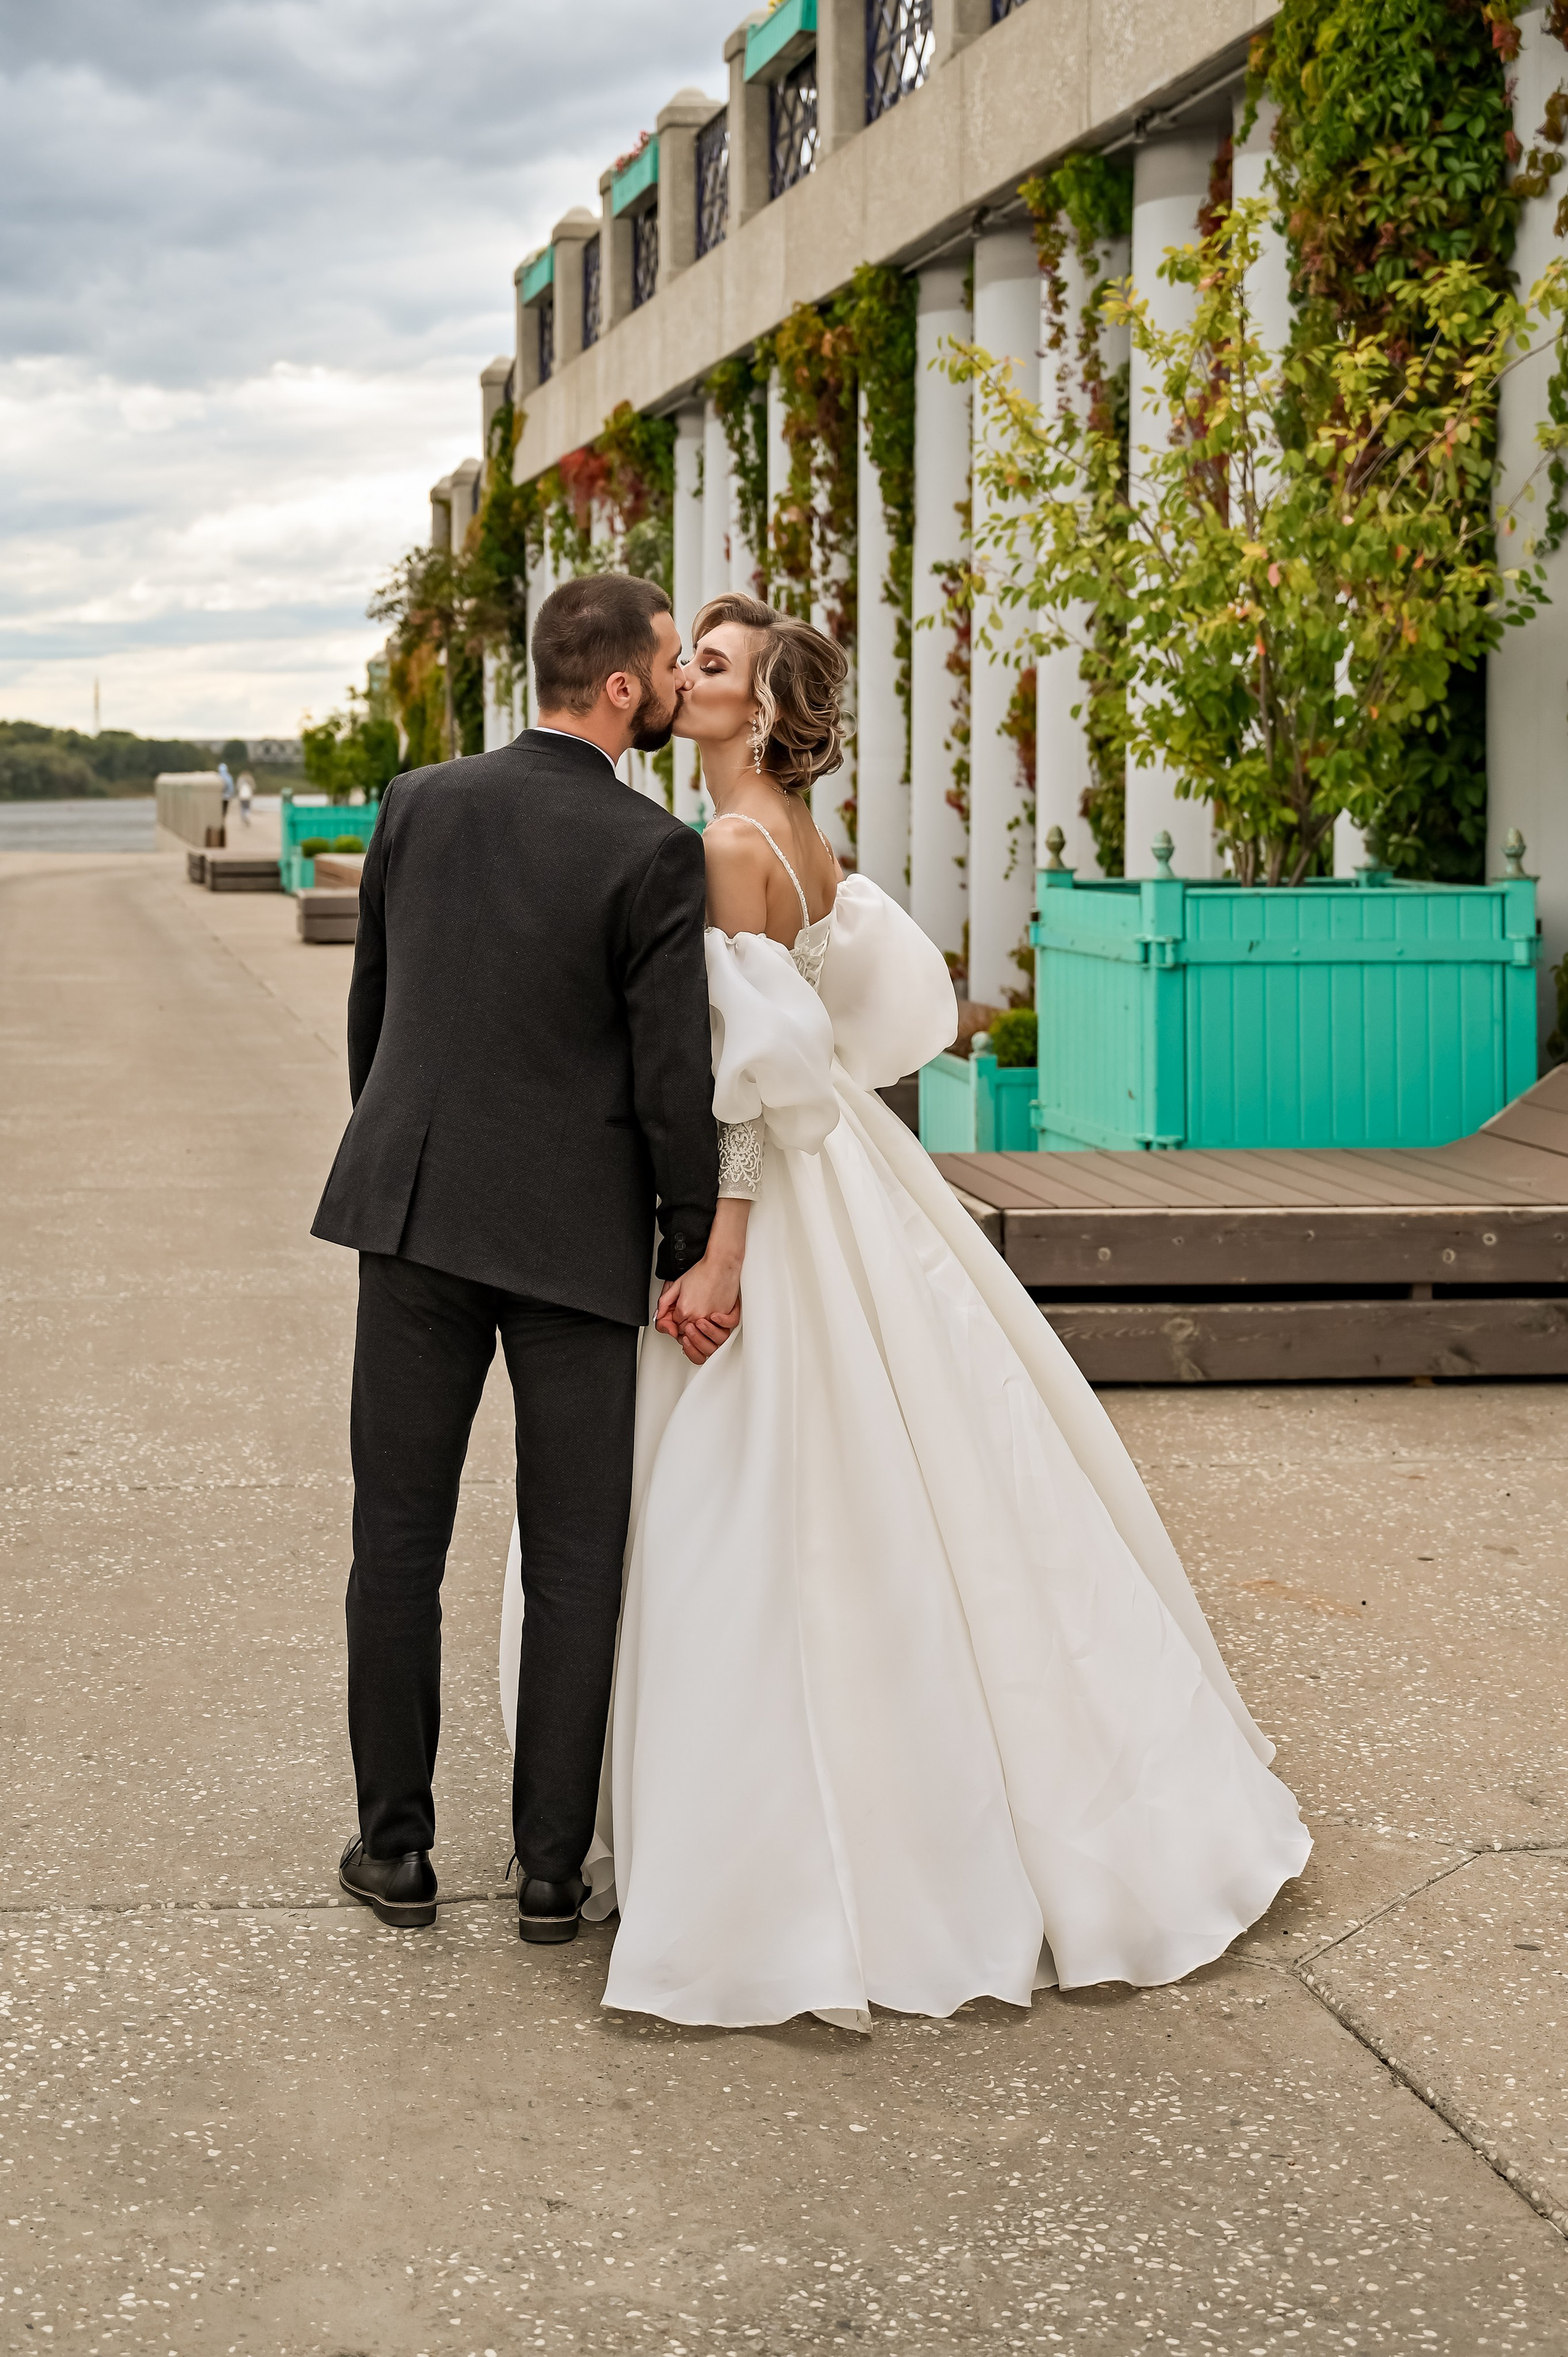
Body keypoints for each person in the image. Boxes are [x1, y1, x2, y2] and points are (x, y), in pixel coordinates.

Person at [500, 592, 1311, 2026]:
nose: (684, 675)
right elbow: (851, 1031)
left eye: (713, 664)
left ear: (756, 713)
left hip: (769, 1208)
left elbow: (744, 1074)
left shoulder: (727, 850)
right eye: (686, 655)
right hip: (856, 1178)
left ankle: (784, 1858)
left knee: (741, 1514)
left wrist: (720, 1247)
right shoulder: (812, 847)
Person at [314, 575, 718, 1939]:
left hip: (414, 1215)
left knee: (396, 1541)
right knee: (572, 1555)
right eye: (665, 666)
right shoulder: (651, 845)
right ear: (618, 688)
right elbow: (674, 1073)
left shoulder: (418, 802)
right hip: (570, 1235)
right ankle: (551, 1875)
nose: (672, 687)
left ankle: (397, 1855)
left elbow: (375, 1018)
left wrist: (405, 1160)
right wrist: (684, 1238)